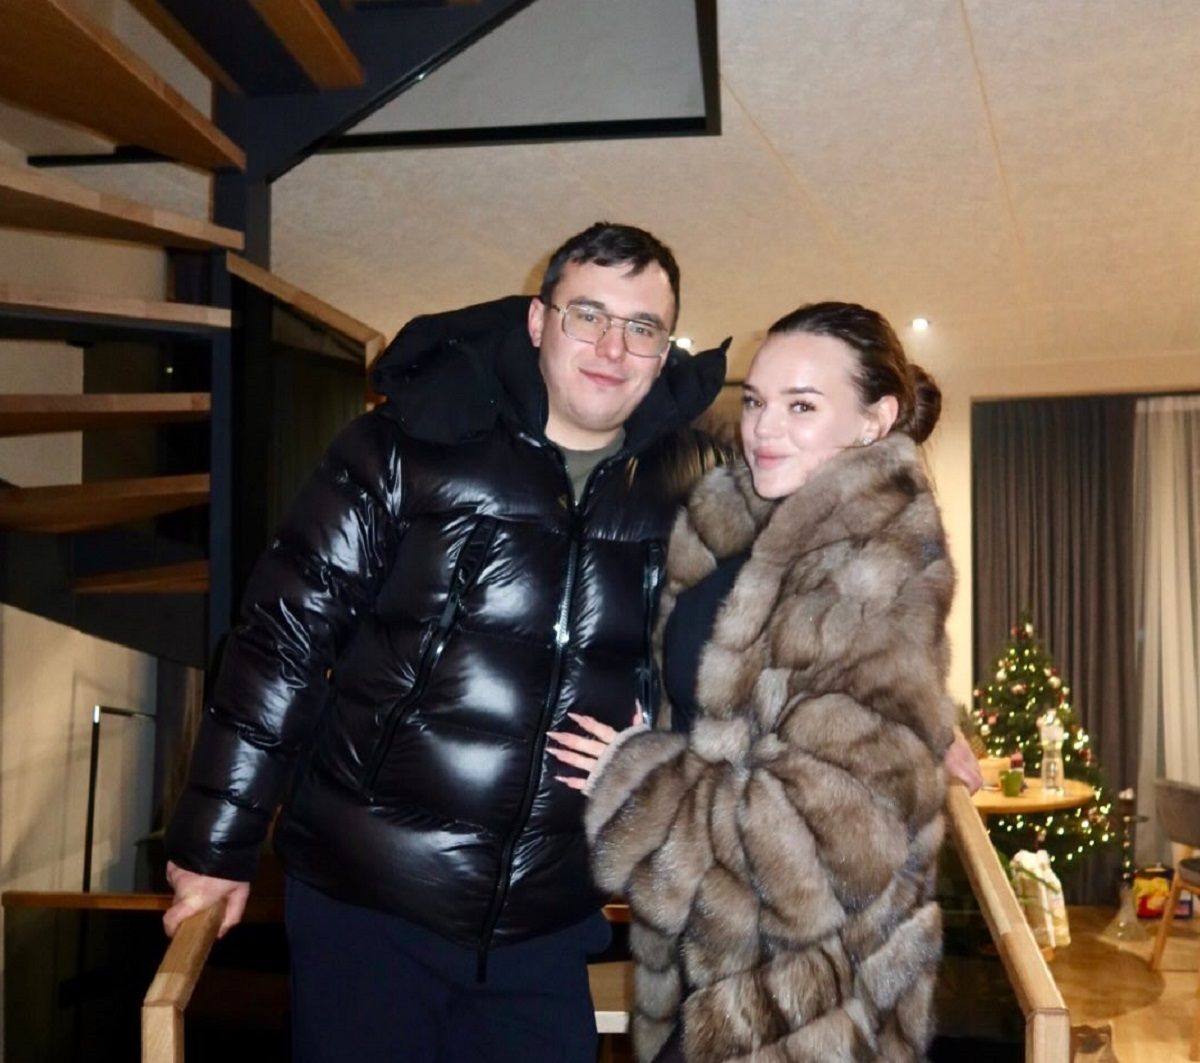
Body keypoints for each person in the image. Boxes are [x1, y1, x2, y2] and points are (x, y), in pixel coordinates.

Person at [162, 221, 729, 1062]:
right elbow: (282, 641)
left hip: (548, 921)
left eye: (642, 327)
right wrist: (217, 844)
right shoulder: (407, 442)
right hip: (371, 902)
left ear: (664, 350)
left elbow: (750, 651)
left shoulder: (693, 486)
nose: (613, 348)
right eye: (588, 315)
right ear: (538, 321)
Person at [549, 302, 965, 1062]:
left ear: (873, 420)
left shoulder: (865, 578)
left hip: (798, 1008)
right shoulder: (755, 529)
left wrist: (634, 778)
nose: (764, 428)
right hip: (721, 971)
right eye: (756, 402)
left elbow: (819, 853)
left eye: (802, 406)